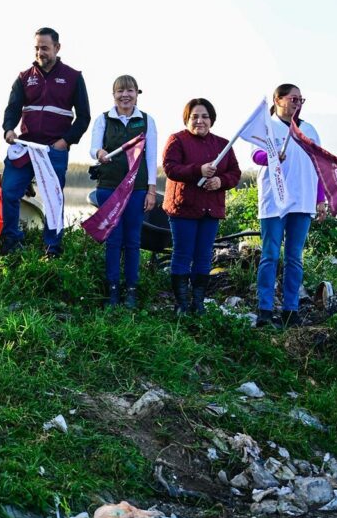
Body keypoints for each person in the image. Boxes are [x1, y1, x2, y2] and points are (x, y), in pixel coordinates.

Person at [1, 27, 91, 258]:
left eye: (45, 48)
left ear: (57, 48)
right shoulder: (24, 77)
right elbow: (12, 109)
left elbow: (84, 117)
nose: (40, 52)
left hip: (54, 149)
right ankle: (11, 241)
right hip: (26, 148)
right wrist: (9, 129)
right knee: (9, 191)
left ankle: (52, 247)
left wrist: (65, 141)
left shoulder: (73, 77)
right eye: (36, 48)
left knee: (53, 198)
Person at [162, 98, 241, 314]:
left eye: (205, 116)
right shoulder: (177, 140)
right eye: (194, 116)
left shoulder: (223, 145)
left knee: (204, 256)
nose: (200, 121)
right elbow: (170, 168)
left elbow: (235, 173)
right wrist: (199, 170)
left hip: (210, 209)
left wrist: (220, 181)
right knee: (182, 254)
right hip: (183, 208)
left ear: (211, 119)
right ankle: (181, 305)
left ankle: (198, 304)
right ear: (186, 119)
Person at [254, 83, 324, 328]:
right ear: (278, 100)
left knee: (295, 257)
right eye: (293, 98)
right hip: (274, 200)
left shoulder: (309, 130)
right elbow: (256, 155)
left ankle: (290, 309)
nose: (297, 103)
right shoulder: (267, 126)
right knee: (270, 255)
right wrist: (272, 157)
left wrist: (320, 199)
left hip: (302, 201)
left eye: (300, 99)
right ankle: (264, 309)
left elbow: (318, 165)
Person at [89, 75, 158, 308]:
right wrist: (99, 153)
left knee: (132, 241)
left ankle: (131, 291)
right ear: (113, 95)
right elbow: (94, 148)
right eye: (120, 91)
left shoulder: (147, 121)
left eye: (129, 90)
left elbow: (151, 157)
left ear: (137, 93)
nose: (125, 95)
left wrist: (151, 190)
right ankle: (112, 290)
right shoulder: (103, 119)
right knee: (113, 240)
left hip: (137, 190)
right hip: (109, 188)